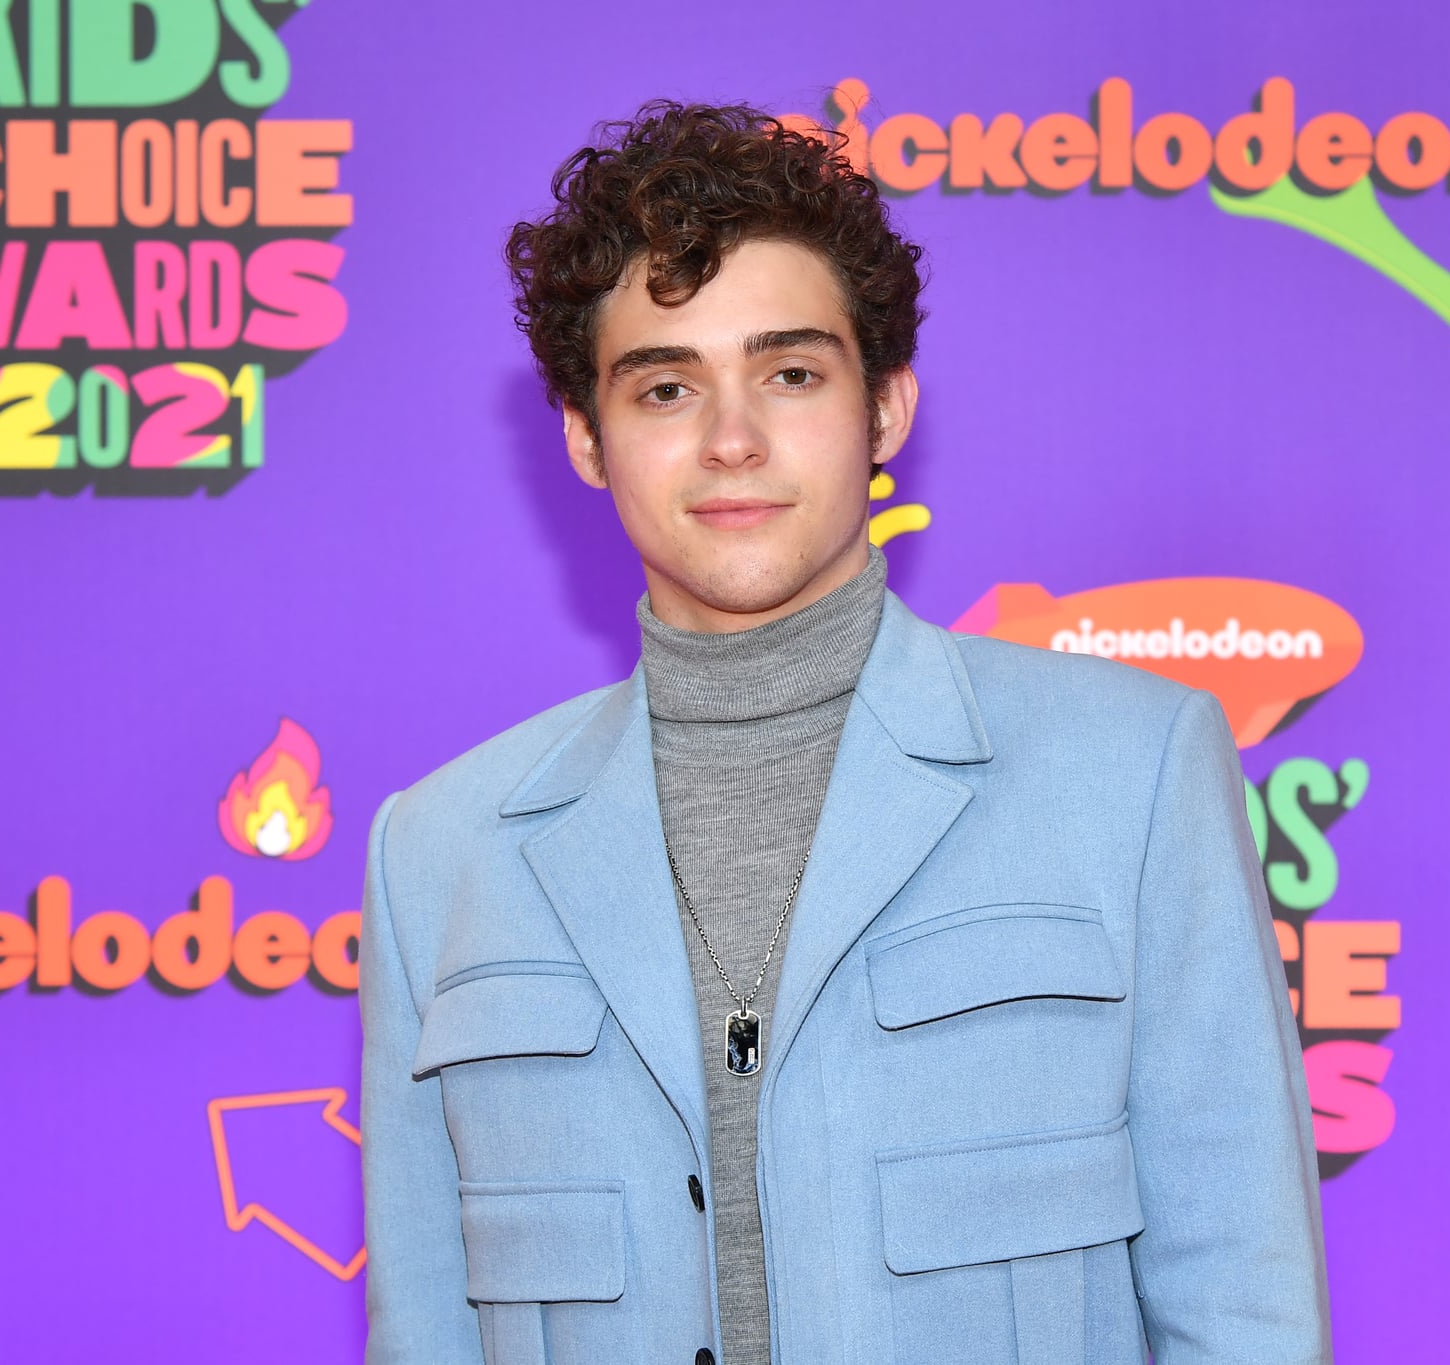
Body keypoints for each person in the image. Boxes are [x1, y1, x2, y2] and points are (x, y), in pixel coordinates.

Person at [359, 100, 1330, 1365]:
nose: (731, 439)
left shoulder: (1131, 774)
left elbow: (1239, 1305)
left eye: (790, 372)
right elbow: (426, 1330)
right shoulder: (438, 856)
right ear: (588, 442)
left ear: (884, 410)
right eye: (665, 386)